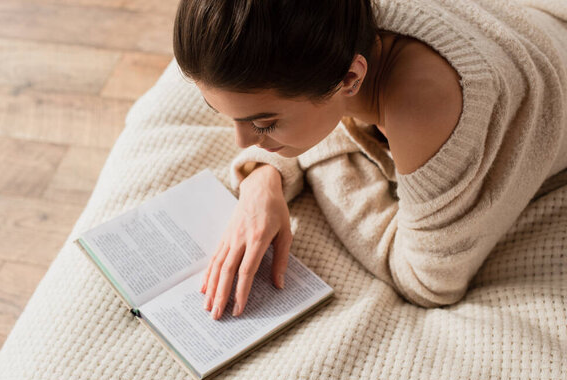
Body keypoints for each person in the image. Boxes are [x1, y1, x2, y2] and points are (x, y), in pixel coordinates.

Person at [172, 0, 567, 320]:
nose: (243, 144)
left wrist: (311, 165)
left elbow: (428, 282)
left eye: (264, 123)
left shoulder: (425, 104)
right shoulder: (337, 22)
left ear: (350, 80)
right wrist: (261, 179)